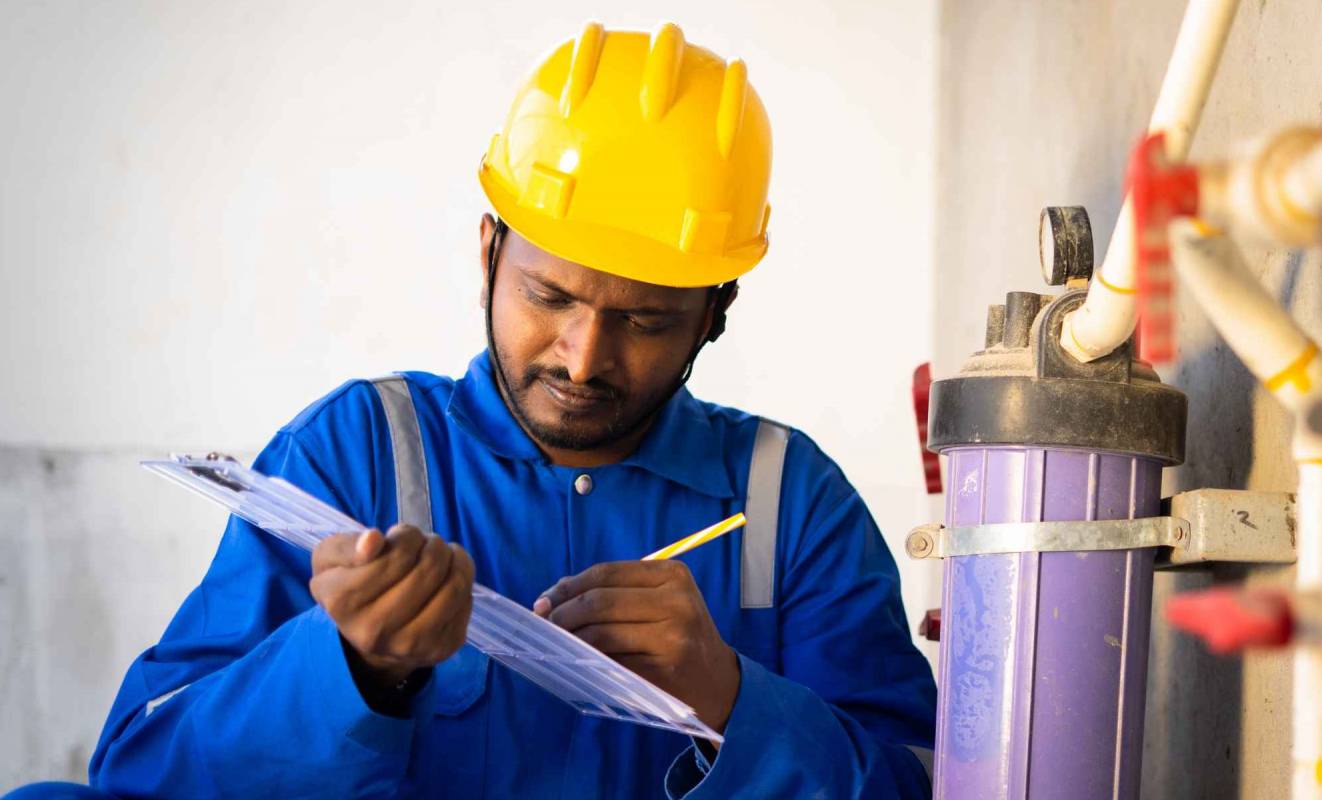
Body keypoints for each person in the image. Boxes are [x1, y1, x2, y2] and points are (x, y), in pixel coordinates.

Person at [81, 22, 935, 798]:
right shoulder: (355, 455)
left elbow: (918, 785)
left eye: (644, 320)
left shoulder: (792, 503)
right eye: (549, 295)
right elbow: (143, 767)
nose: (583, 356)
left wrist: (733, 701)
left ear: (714, 314)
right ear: (489, 251)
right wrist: (349, 670)